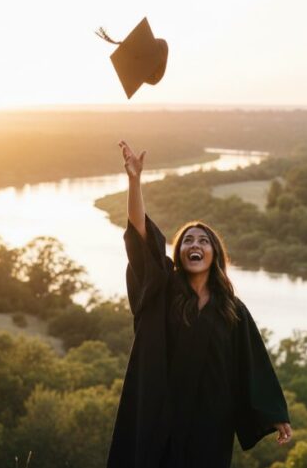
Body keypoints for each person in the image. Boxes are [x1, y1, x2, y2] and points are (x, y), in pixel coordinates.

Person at [107, 140, 292, 468]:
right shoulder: (162, 291)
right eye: (187, 240)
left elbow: (252, 365)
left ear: (214, 255)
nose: (195, 244)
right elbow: (140, 236)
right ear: (179, 254)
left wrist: (274, 414)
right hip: (159, 415)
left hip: (210, 424)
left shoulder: (232, 310)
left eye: (203, 241)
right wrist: (135, 182)